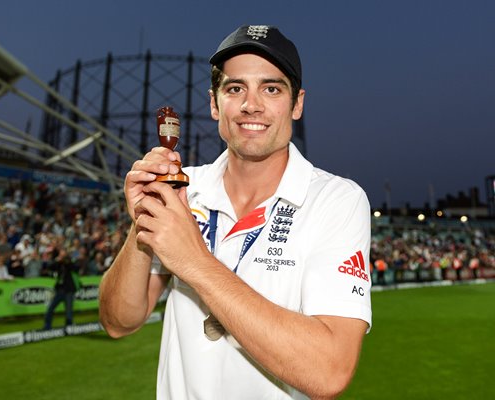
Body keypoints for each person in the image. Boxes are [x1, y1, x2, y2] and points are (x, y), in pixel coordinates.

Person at [99, 25, 372, 399]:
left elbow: (329, 371)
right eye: (235, 88)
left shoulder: (335, 199)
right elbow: (118, 322)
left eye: (271, 88)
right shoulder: (184, 187)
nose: (251, 105)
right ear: (214, 103)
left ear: (297, 103)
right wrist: (143, 224)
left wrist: (194, 261)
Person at [43, 248, 80, 329]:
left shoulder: (70, 262)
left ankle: (69, 326)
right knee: (50, 308)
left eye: (63, 254)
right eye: (61, 254)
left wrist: (68, 261)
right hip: (59, 290)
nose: (62, 255)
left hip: (69, 290)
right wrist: (58, 260)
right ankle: (47, 326)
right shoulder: (58, 263)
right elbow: (49, 267)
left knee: (69, 311)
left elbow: (76, 268)